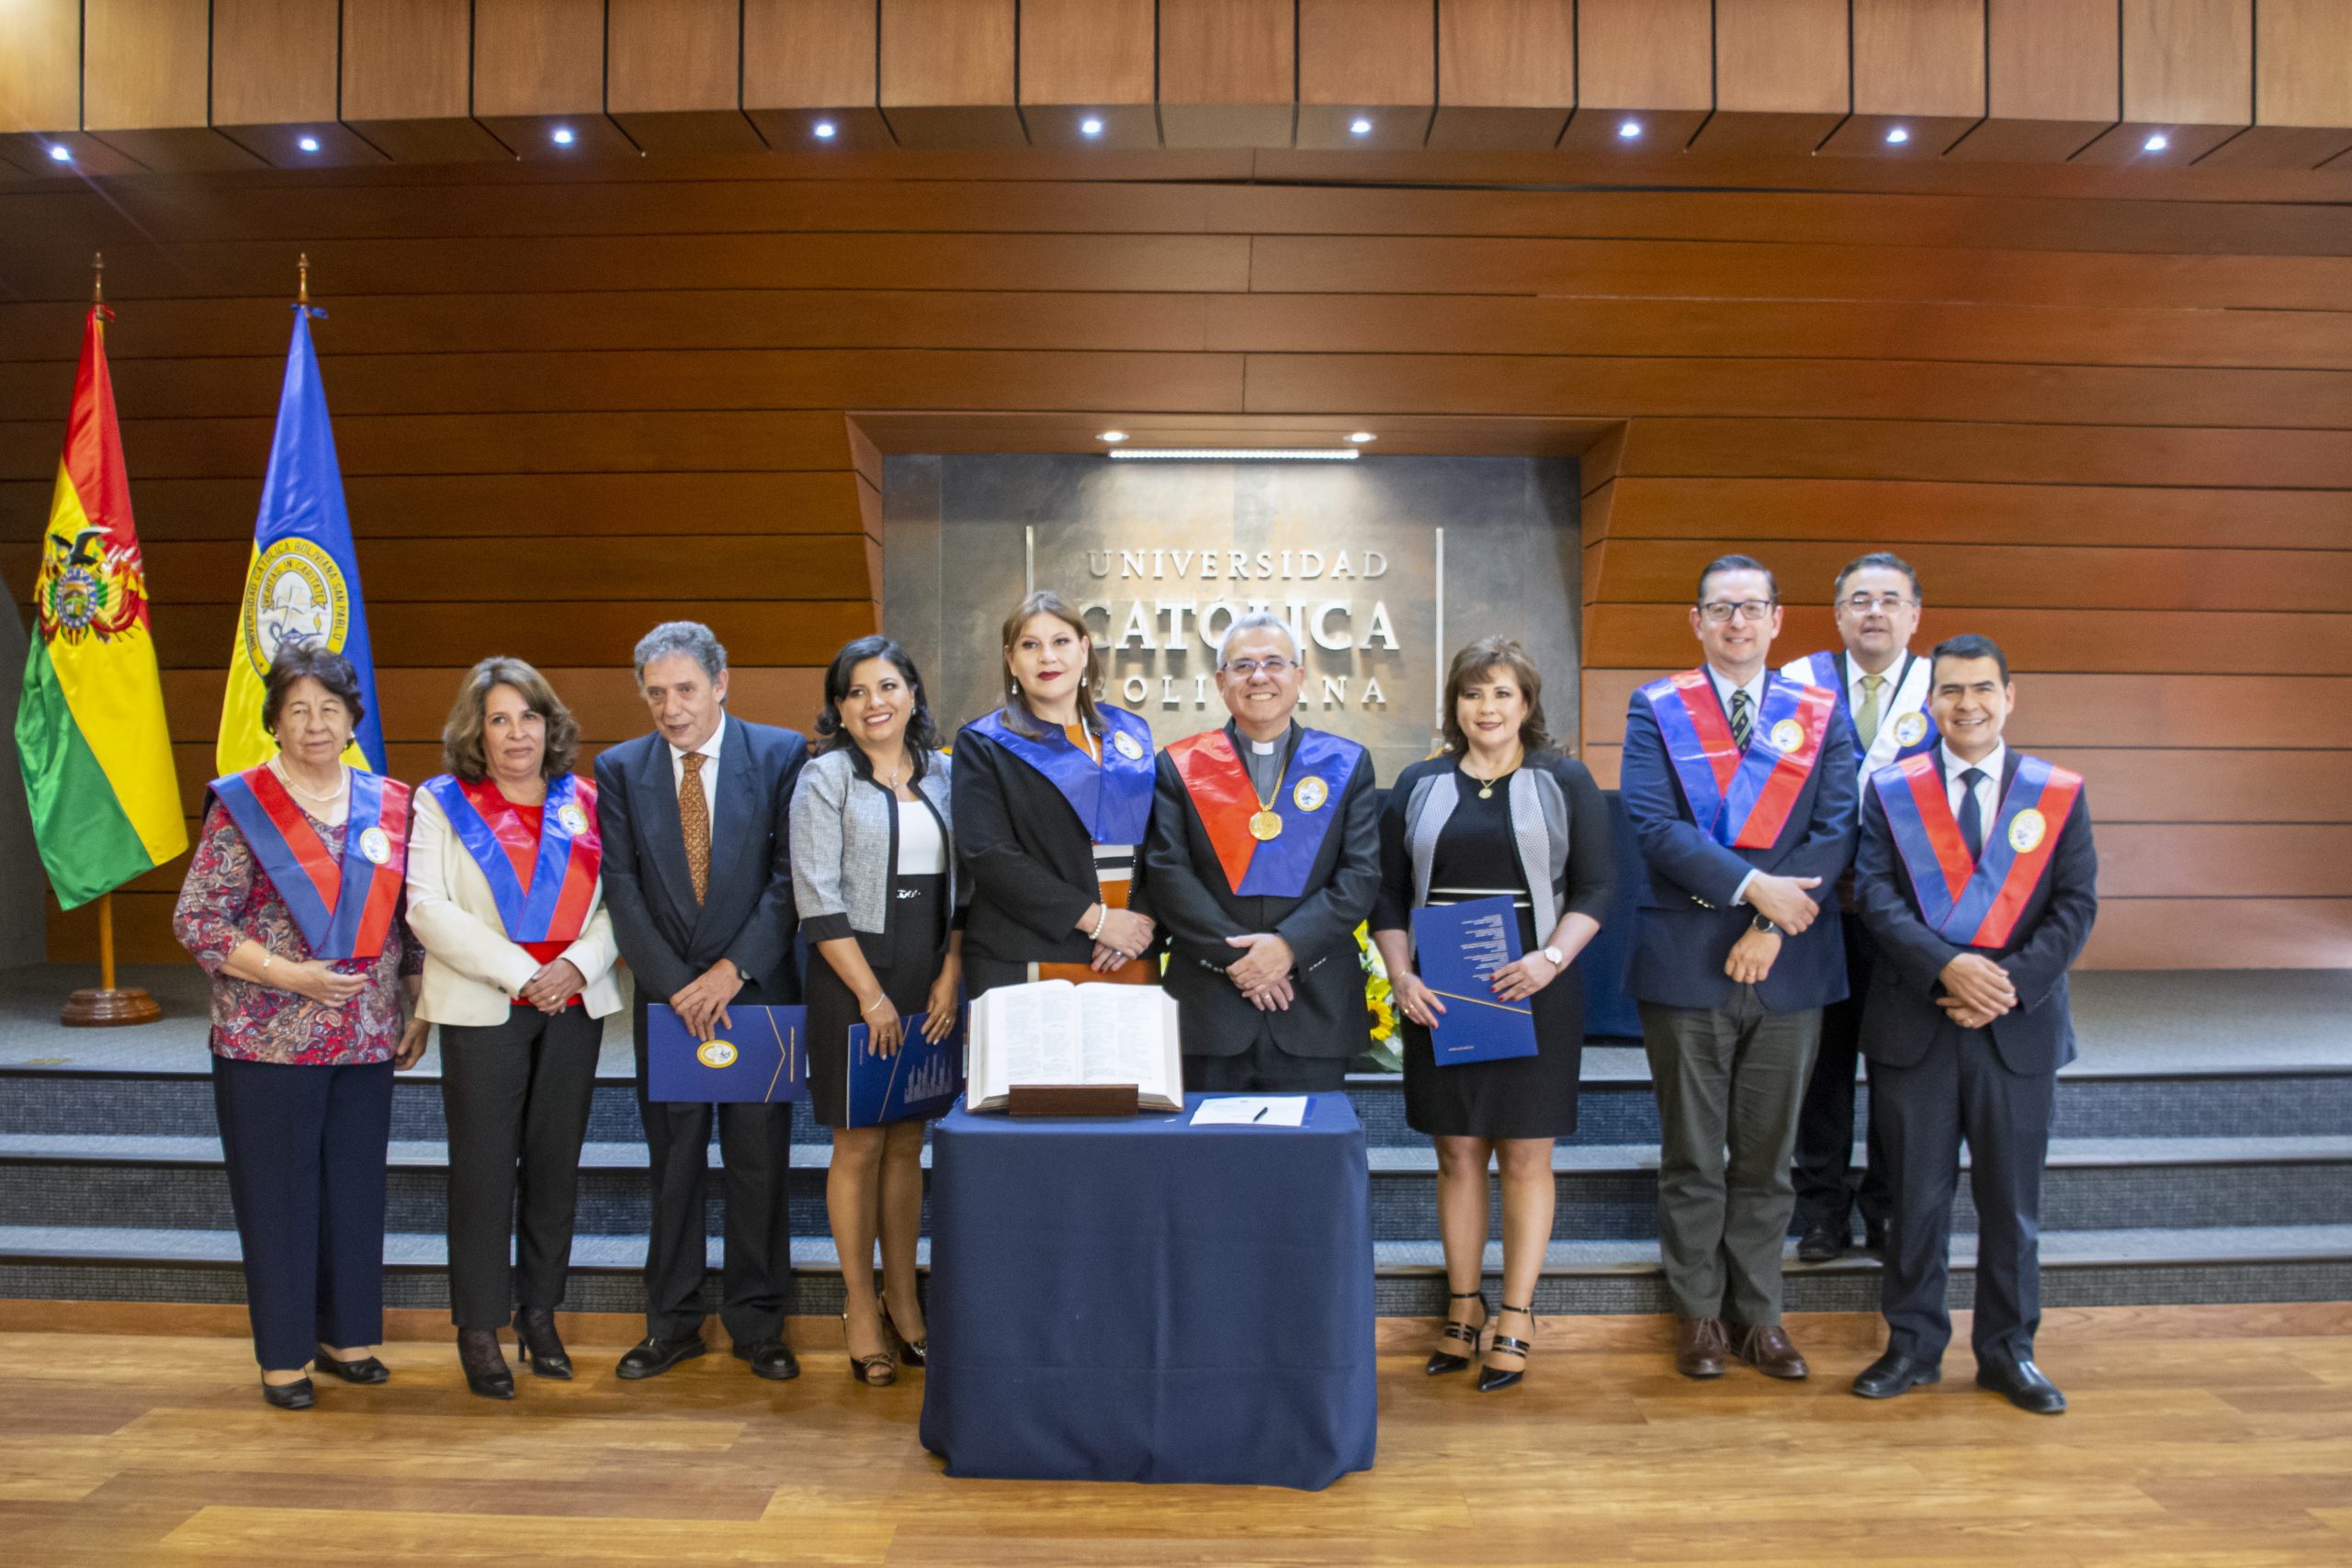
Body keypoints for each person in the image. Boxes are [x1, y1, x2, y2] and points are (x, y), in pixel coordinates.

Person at [1620, 554, 1858, 1383]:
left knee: (1767, 1156)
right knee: (1693, 1153)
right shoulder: (1656, 708)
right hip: (1687, 961)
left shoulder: (1821, 712)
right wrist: (1755, 885)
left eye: (1752, 608)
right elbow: (1653, 826)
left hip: (1788, 961)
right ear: (1696, 621)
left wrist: (1766, 921)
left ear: (1778, 620)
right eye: (1721, 609)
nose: (1737, 623)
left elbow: (1837, 827)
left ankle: (1760, 1315)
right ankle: (1699, 1316)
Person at [172, 641, 427, 1409]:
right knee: (278, 1194)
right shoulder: (243, 803)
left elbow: (409, 921)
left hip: (367, 1033)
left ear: (353, 718)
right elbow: (199, 920)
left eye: (330, 708)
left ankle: (348, 1335)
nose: (316, 723)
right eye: (298, 710)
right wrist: (292, 977)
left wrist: (414, 1000)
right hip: (267, 1037)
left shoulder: (390, 800)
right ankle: (284, 1354)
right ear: (274, 722)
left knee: (355, 1188)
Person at [1849, 635, 2097, 1415]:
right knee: (1913, 1201)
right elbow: (1875, 895)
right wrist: (1947, 966)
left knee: (2011, 1204)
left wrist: (2005, 984)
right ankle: (1912, 1346)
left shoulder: (2055, 791)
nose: (1968, 705)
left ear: (2010, 696)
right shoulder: (1893, 791)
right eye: (1951, 691)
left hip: (2014, 1029)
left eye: (1983, 689)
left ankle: (2008, 1352)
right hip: (1915, 1021)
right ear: (1932, 702)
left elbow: (2075, 905)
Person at [1372, 637, 1614, 1393]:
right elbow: (1386, 892)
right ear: (1455, 705)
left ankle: (1517, 1310)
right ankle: (1463, 1304)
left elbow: (1597, 887)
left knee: (1526, 1155)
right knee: (1458, 1151)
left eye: (1503, 693)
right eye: (1474, 694)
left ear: (1528, 704)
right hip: (1440, 993)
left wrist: (1550, 960)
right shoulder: (1417, 782)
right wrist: (1402, 974)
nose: (1488, 707)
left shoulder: (1564, 779)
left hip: (1535, 988)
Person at [594, 621, 808, 1383]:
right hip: (668, 1002)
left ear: (721, 683)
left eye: (685, 688)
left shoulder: (781, 755)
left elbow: (790, 878)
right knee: (674, 1164)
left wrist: (730, 972)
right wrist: (677, 984)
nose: (671, 708)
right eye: (655, 693)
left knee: (760, 1165)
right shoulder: (619, 768)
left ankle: (758, 1325)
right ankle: (673, 1323)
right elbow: (620, 887)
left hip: (754, 997)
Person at [406, 658, 623, 1399]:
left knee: (554, 1168)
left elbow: (617, 906)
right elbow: (426, 908)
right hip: (484, 1005)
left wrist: (577, 967)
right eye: (498, 719)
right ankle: (478, 1327)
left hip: (572, 1006)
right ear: (477, 730)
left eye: (528, 716)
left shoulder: (587, 800)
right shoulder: (440, 803)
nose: (516, 732)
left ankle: (539, 1315)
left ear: (549, 723)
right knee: (483, 1171)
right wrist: (521, 972)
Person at [791, 636, 963, 1387]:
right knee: (859, 1141)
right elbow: (815, 895)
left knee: (907, 1140)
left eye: (888, 685)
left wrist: (950, 974)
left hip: (929, 975)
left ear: (914, 694)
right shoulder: (823, 778)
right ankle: (860, 1306)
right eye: (856, 692)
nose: (874, 703)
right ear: (838, 708)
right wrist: (870, 994)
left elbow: (969, 885)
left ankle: (905, 1298)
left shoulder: (948, 775)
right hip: (850, 974)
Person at [1779, 551, 1939, 1263]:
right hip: (1820, 906)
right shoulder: (1800, 684)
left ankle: (1885, 1204)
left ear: (1914, 614)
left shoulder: (1943, 687)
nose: (1874, 611)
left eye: (1890, 599)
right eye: (1860, 599)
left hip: (1908, 913)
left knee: (1901, 1065)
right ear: (1839, 613)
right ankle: (1820, 1208)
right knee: (1824, 1063)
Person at [1144, 611, 1380, 1093]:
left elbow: (1359, 875)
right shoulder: (1178, 765)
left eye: (1274, 662)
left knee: (1307, 1164)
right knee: (1205, 1164)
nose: (1258, 677)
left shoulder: (1347, 763)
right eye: (1242, 665)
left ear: (1299, 676)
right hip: (1209, 1009)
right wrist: (1240, 961)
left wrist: (1288, 947)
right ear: (1220, 681)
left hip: (1314, 1004)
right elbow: (1168, 872)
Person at [954, 591, 1159, 998]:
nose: (1048, 657)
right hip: (1026, 957)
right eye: (1030, 645)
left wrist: (1142, 922)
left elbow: (1163, 844)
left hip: (1130, 954)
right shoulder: (985, 744)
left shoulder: (1130, 735)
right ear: (1011, 661)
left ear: (1084, 650)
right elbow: (989, 854)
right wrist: (1097, 921)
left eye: (1061, 642)